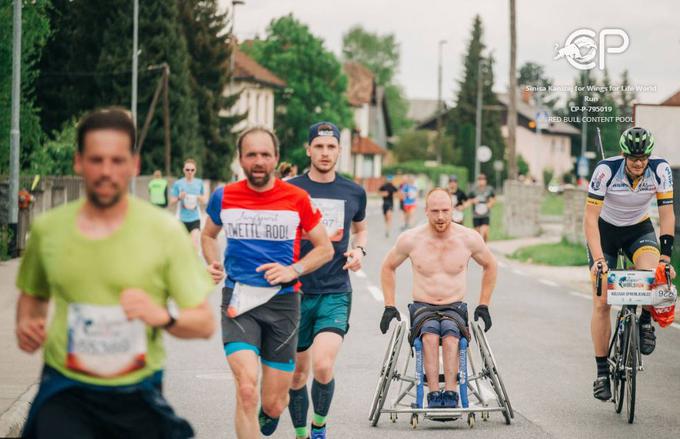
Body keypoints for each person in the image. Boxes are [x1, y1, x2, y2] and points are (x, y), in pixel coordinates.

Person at [15, 107, 215, 439]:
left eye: (117, 160)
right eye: (96, 160)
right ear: (78, 162)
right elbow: (32, 298)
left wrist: (161, 317)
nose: (107, 171)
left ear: (134, 165)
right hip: (66, 387)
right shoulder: (49, 230)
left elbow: (204, 323)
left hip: (136, 389)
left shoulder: (164, 232)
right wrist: (26, 324)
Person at [201, 126, 334, 438]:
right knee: (247, 388)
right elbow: (208, 235)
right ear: (240, 159)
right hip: (239, 299)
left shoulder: (296, 198)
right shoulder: (224, 196)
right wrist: (213, 262)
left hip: (283, 303)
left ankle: (270, 412)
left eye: (265, 154)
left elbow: (325, 248)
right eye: (251, 155)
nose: (258, 161)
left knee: (275, 403)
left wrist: (294, 270)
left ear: (276, 158)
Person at [379, 188, 497, 409]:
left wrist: (484, 304)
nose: (441, 217)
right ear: (426, 211)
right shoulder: (411, 239)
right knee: (430, 336)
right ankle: (434, 394)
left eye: (445, 210)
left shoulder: (468, 238)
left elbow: (490, 265)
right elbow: (388, 266)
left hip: (455, 307)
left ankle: (451, 394)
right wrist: (389, 305)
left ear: (453, 210)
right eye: (435, 211)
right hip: (423, 307)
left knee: (452, 336)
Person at [287, 122, 368, 439]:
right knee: (297, 374)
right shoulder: (290, 189)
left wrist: (359, 250)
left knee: (322, 366)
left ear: (339, 150)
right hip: (294, 293)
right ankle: (299, 434)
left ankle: (318, 426)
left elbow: (361, 228)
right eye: (318, 146)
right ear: (308, 149)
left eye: (330, 146)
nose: (324, 152)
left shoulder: (353, 191)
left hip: (335, 290)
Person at [584, 127, 676, 401]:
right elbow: (590, 219)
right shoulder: (605, 170)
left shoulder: (660, 169)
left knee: (653, 275)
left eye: (643, 157)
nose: (638, 163)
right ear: (624, 155)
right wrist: (599, 260)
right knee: (602, 302)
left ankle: (645, 321)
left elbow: (667, 214)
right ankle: (602, 373)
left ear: (649, 155)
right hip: (605, 231)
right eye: (633, 157)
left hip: (639, 229)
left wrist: (666, 257)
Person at [170, 159, 207, 249]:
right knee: (182, 248)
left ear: (195, 171)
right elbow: (171, 201)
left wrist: (199, 197)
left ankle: (193, 262)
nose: (190, 172)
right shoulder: (178, 184)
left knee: (194, 246)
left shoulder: (199, 183)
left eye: (192, 170)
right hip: (181, 219)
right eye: (187, 170)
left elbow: (204, 200)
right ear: (184, 170)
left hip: (195, 218)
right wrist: (179, 197)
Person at [468, 173, 495, 241]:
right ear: (477, 181)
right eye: (480, 179)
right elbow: (467, 200)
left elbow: (493, 198)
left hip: (485, 214)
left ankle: (484, 246)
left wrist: (490, 203)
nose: (481, 181)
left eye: (483, 179)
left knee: (484, 232)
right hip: (476, 215)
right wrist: (473, 200)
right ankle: (481, 248)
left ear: (485, 181)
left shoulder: (489, 189)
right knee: (477, 234)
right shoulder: (473, 190)